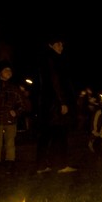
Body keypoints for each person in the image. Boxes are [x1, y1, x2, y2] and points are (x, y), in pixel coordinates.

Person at [34, 37, 78, 174]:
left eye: (62, 44)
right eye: (58, 44)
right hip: (54, 105)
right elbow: (56, 82)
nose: (61, 47)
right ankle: (60, 164)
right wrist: (62, 102)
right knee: (59, 134)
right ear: (51, 45)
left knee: (48, 134)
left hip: (49, 104)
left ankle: (43, 165)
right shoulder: (52, 59)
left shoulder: (47, 59)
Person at [0, 60, 26, 174]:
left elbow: (21, 103)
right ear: (0, 72)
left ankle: (10, 162)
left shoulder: (14, 87)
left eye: (10, 70)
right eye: (6, 70)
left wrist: (16, 112)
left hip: (11, 121)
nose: (9, 72)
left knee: (10, 142)